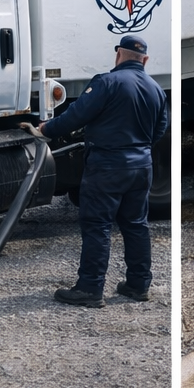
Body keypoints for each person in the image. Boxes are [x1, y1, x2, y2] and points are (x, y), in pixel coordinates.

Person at [23, 34, 169, 308]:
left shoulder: (107, 83)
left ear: (118, 55)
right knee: (136, 224)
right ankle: (138, 285)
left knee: (97, 225)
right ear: (145, 60)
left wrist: (45, 130)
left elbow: (76, 115)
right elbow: (159, 129)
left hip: (108, 166)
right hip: (141, 165)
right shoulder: (155, 88)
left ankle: (90, 287)